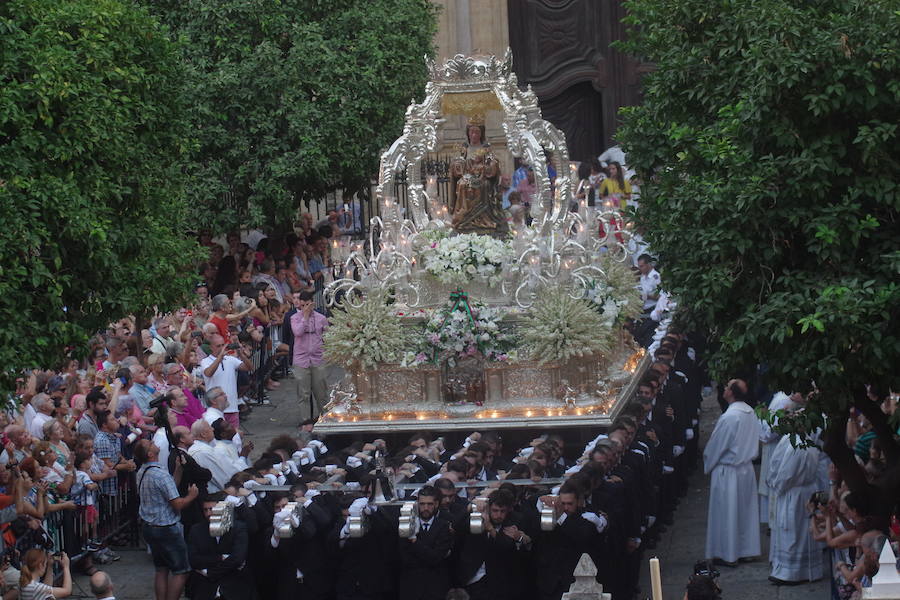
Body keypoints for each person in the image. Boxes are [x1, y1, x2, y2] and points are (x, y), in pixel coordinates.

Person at [703, 378, 761, 565]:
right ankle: (746, 549)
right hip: (746, 469)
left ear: (730, 393)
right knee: (744, 512)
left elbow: (717, 445)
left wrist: (708, 462)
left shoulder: (730, 417)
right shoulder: (750, 412)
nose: (724, 388)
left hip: (728, 471)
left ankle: (727, 553)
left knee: (727, 513)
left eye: (727, 386)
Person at [135, 439, 198, 600]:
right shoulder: (160, 474)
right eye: (150, 444)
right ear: (150, 454)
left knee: (161, 569)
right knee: (181, 571)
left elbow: (168, 488)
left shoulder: (142, 471)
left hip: (150, 527)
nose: (154, 442)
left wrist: (178, 470)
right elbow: (177, 503)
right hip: (166, 528)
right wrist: (191, 496)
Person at [766, 432, 826, 585]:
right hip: (806, 491)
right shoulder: (808, 442)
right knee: (801, 531)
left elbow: (785, 474)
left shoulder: (796, 444)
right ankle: (808, 570)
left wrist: (775, 485)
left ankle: (792, 573)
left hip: (794, 493)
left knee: (794, 532)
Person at [187, 492, 251, 600]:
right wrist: (221, 558)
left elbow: (237, 559)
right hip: (205, 586)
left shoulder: (238, 528)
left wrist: (210, 572)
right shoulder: (197, 530)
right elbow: (193, 559)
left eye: (212, 509)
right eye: (205, 510)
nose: (208, 513)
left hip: (233, 582)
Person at [398, 486, 453, 600]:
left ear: (436, 504)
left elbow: (436, 557)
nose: (426, 508)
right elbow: (404, 557)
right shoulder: (406, 525)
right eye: (422, 504)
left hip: (436, 587)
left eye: (429, 504)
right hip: (411, 587)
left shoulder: (444, 526)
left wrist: (414, 541)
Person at [200, 335, 252, 429]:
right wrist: (219, 358)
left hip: (232, 407)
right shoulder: (205, 361)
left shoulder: (230, 359)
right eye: (218, 346)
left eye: (223, 345)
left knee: (235, 437)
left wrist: (241, 355)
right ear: (211, 348)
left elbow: (248, 367)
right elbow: (208, 373)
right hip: (216, 409)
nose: (222, 348)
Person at [290, 292, 329, 416]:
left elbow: (328, 336)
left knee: (321, 393)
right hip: (301, 360)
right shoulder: (295, 318)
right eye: (303, 306)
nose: (305, 308)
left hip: (318, 358)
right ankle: (306, 421)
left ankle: (325, 418)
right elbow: (298, 332)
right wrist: (305, 317)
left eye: (308, 305)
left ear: (313, 303)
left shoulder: (321, 318)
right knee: (303, 394)